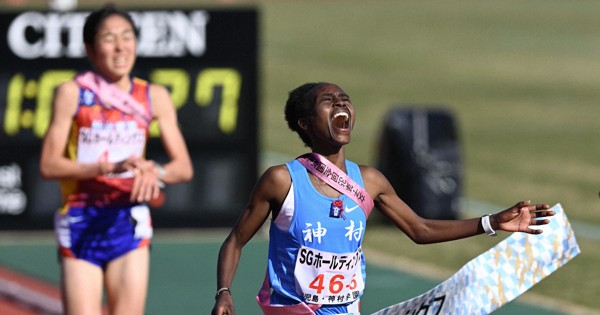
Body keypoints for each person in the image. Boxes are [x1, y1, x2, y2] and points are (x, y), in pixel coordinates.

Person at [211, 82, 554, 315]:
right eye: (328, 102)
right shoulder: (282, 180)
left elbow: (419, 229)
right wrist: (224, 292)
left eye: (344, 98)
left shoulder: (370, 181)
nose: (341, 103)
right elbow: (236, 240)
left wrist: (491, 222)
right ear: (305, 124)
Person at [39, 5, 193, 315]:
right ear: (90, 48)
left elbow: (183, 168)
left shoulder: (154, 96)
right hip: (81, 219)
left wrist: (155, 171)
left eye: (127, 36)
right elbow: (49, 165)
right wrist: (106, 167)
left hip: (128, 222)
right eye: (109, 38)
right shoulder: (71, 93)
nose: (121, 46)